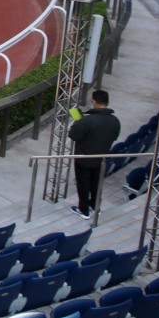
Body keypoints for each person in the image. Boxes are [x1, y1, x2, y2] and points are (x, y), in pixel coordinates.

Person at [68, 89, 121, 220]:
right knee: (96, 183)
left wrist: (78, 122)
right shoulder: (115, 121)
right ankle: (95, 206)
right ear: (107, 102)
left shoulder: (87, 120)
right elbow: (114, 137)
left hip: (84, 157)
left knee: (83, 183)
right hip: (101, 158)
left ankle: (84, 210)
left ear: (94, 102)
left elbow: (73, 135)